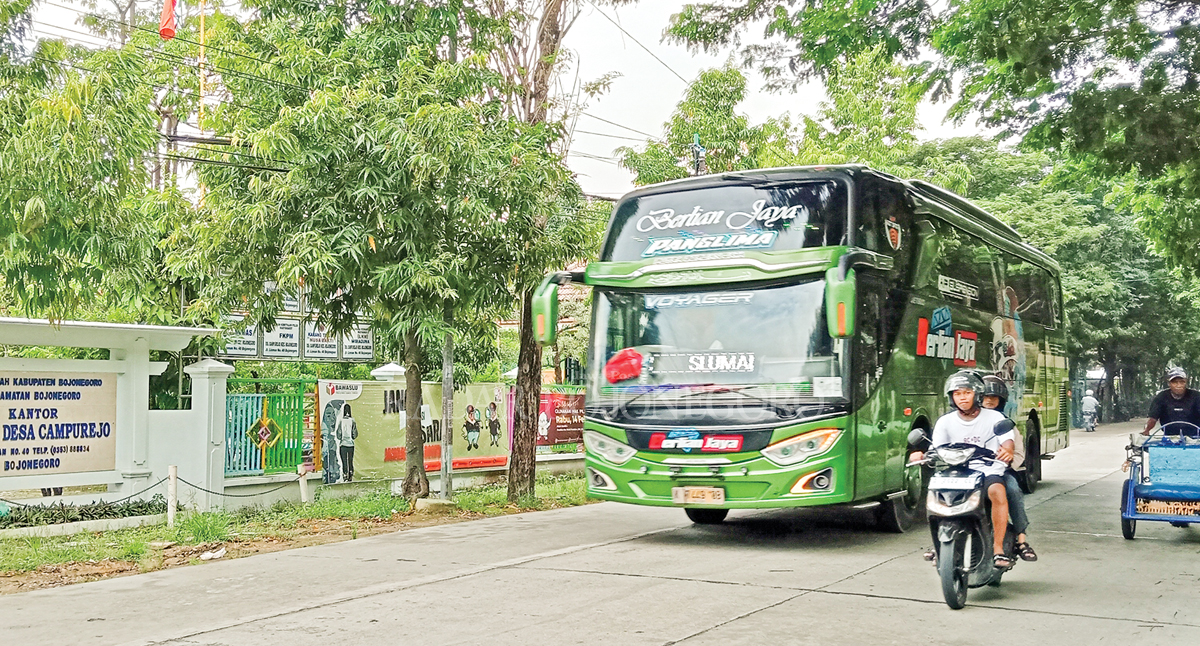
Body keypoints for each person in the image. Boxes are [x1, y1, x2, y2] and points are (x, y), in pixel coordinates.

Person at [911, 370, 1017, 569]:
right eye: (957, 394)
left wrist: (1008, 450)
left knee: (997, 491)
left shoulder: (994, 417)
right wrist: (921, 454)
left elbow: (1007, 440)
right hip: (955, 470)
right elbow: (937, 447)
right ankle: (939, 544)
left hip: (987, 469)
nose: (962, 398)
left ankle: (998, 549)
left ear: (977, 394)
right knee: (935, 494)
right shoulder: (945, 421)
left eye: (966, 393)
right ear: (952, 397)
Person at [982, 375, 1037, 562]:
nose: (989, 401)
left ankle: (1021, 539)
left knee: (1012, 490)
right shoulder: (966, 422)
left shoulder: (1006, 426)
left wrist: (1006, 459)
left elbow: (1018, 454)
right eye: (985, 397)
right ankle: (941, 540)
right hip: (972, 472)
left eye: (993, 398)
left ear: (1001, 401)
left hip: (1000, 472)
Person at [1143, 367, 1200, 436]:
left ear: (1186, 382)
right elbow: (1153, 418)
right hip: (1169, 437)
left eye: (1182, 382)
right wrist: (1146, 430)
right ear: (1169, 383)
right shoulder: (1161, 397)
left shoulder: (1196, 396)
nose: (1179, 385)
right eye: (1175, 382)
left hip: (1195, 437)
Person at [337, 403, 358, 482]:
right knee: (350, 460)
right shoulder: (353, 421)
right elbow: (355, 434)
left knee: (344, 461)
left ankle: (345, 474)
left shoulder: (341, 421)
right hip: (351, 444)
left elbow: (338, 435)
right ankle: (351, 473)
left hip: (343, 444)